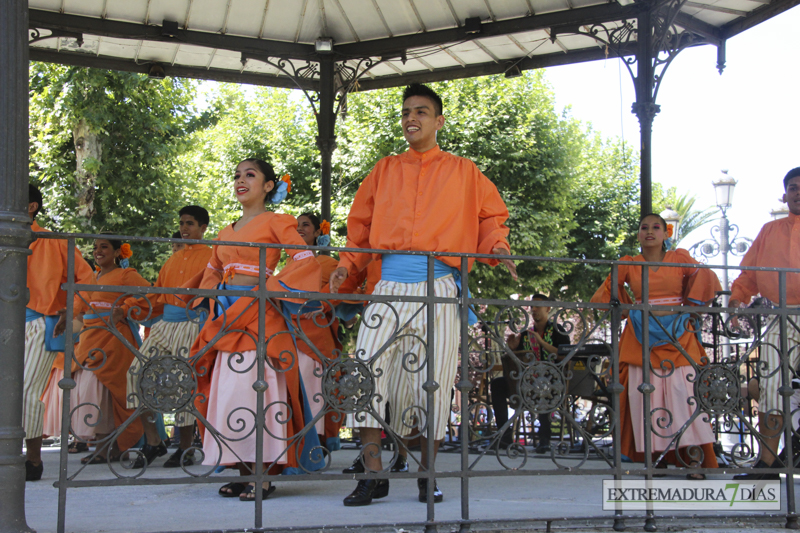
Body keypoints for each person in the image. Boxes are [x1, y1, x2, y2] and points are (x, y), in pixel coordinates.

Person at [330, 83, 517, 506]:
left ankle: (426, 475)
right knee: (365, 375)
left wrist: (497, 247)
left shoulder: (465, 171)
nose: (411, 118)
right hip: (388, 285)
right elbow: (359, 228)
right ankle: (373, 475)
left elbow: (492, 218)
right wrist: (347, 265)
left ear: (439, 121)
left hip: (439, 286)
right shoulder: (384, 169)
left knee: (431, 383)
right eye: (406, 112)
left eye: (421, 111)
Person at [187, 159, 322, 501]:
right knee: (230, 389)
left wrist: (269, 290)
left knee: (255, 388)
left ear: (268, 186)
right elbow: (211, 271)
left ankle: (261, 474)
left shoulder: (279, 222)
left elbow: (304, 260)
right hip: (227, 316)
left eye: (250, 175)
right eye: (236, 175)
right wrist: (210, 302)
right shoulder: (224, 231)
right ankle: (239, 466)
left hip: (259, 314)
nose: (240, 180)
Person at [591, 213, 720, 479]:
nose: (649, 231)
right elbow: (610, 289)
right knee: (645, 397)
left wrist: (689, 308)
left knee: (683, 396)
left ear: (666, 233)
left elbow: (704, 275)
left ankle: (693, 460)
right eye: (644, 227)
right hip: (641, 337)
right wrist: (627, 307)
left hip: (679, 334)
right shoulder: (629, 264)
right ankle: (655, 460)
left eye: (656, 227)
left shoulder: (680, 258)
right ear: (638, 234)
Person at [125, 206, 212, 468]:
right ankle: (154, 441)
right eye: (182, 223)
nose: (184, 228)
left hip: (191, 323)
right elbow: (157, 296)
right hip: (164, 325)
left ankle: (186, 448)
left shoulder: (212, 255)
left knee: (183, 382)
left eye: (190, 224)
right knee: (136, 372)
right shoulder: (172, 258)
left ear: (203, 228)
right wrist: (126, 306)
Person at [729, 167, 800, 480]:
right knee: (770, 387)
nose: (799, 192)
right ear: (785, 195)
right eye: (794, 188)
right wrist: (735, 303)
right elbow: (749, 277)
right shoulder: (769, 231)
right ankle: (768, 464)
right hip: (782, 316)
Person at [55, 237, 150, 464]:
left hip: (114, 340)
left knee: (109, 391)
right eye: (96, 247)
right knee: (88, 390)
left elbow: (149, 294)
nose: (98, 251)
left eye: (104, 247)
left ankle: (112, 446)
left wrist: (124, 310)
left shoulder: (126, 275)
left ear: (118, 251)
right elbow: (82, 301)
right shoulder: (94, 276)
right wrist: (66, 316)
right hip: (90, 339)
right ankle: (101, 444)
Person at [23, 184, 94, 480]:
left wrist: (72, 309)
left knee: (25, 394)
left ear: (31, 207)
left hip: (37, 324)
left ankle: (33, 461)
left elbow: (87, 278)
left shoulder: (54, 242)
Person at [492, 294, 571, 453]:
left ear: (548, 308)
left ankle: (544, 439)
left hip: (552, 382)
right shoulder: (526, 333)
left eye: (537, 306)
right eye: (531, 306)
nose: (533, 309)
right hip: (526, 382)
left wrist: (542, 343)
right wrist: (512, 349)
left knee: (544, 384)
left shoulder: (557, 330)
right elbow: (516, 361)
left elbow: (565, 355)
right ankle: (504, 437)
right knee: (497, 384)